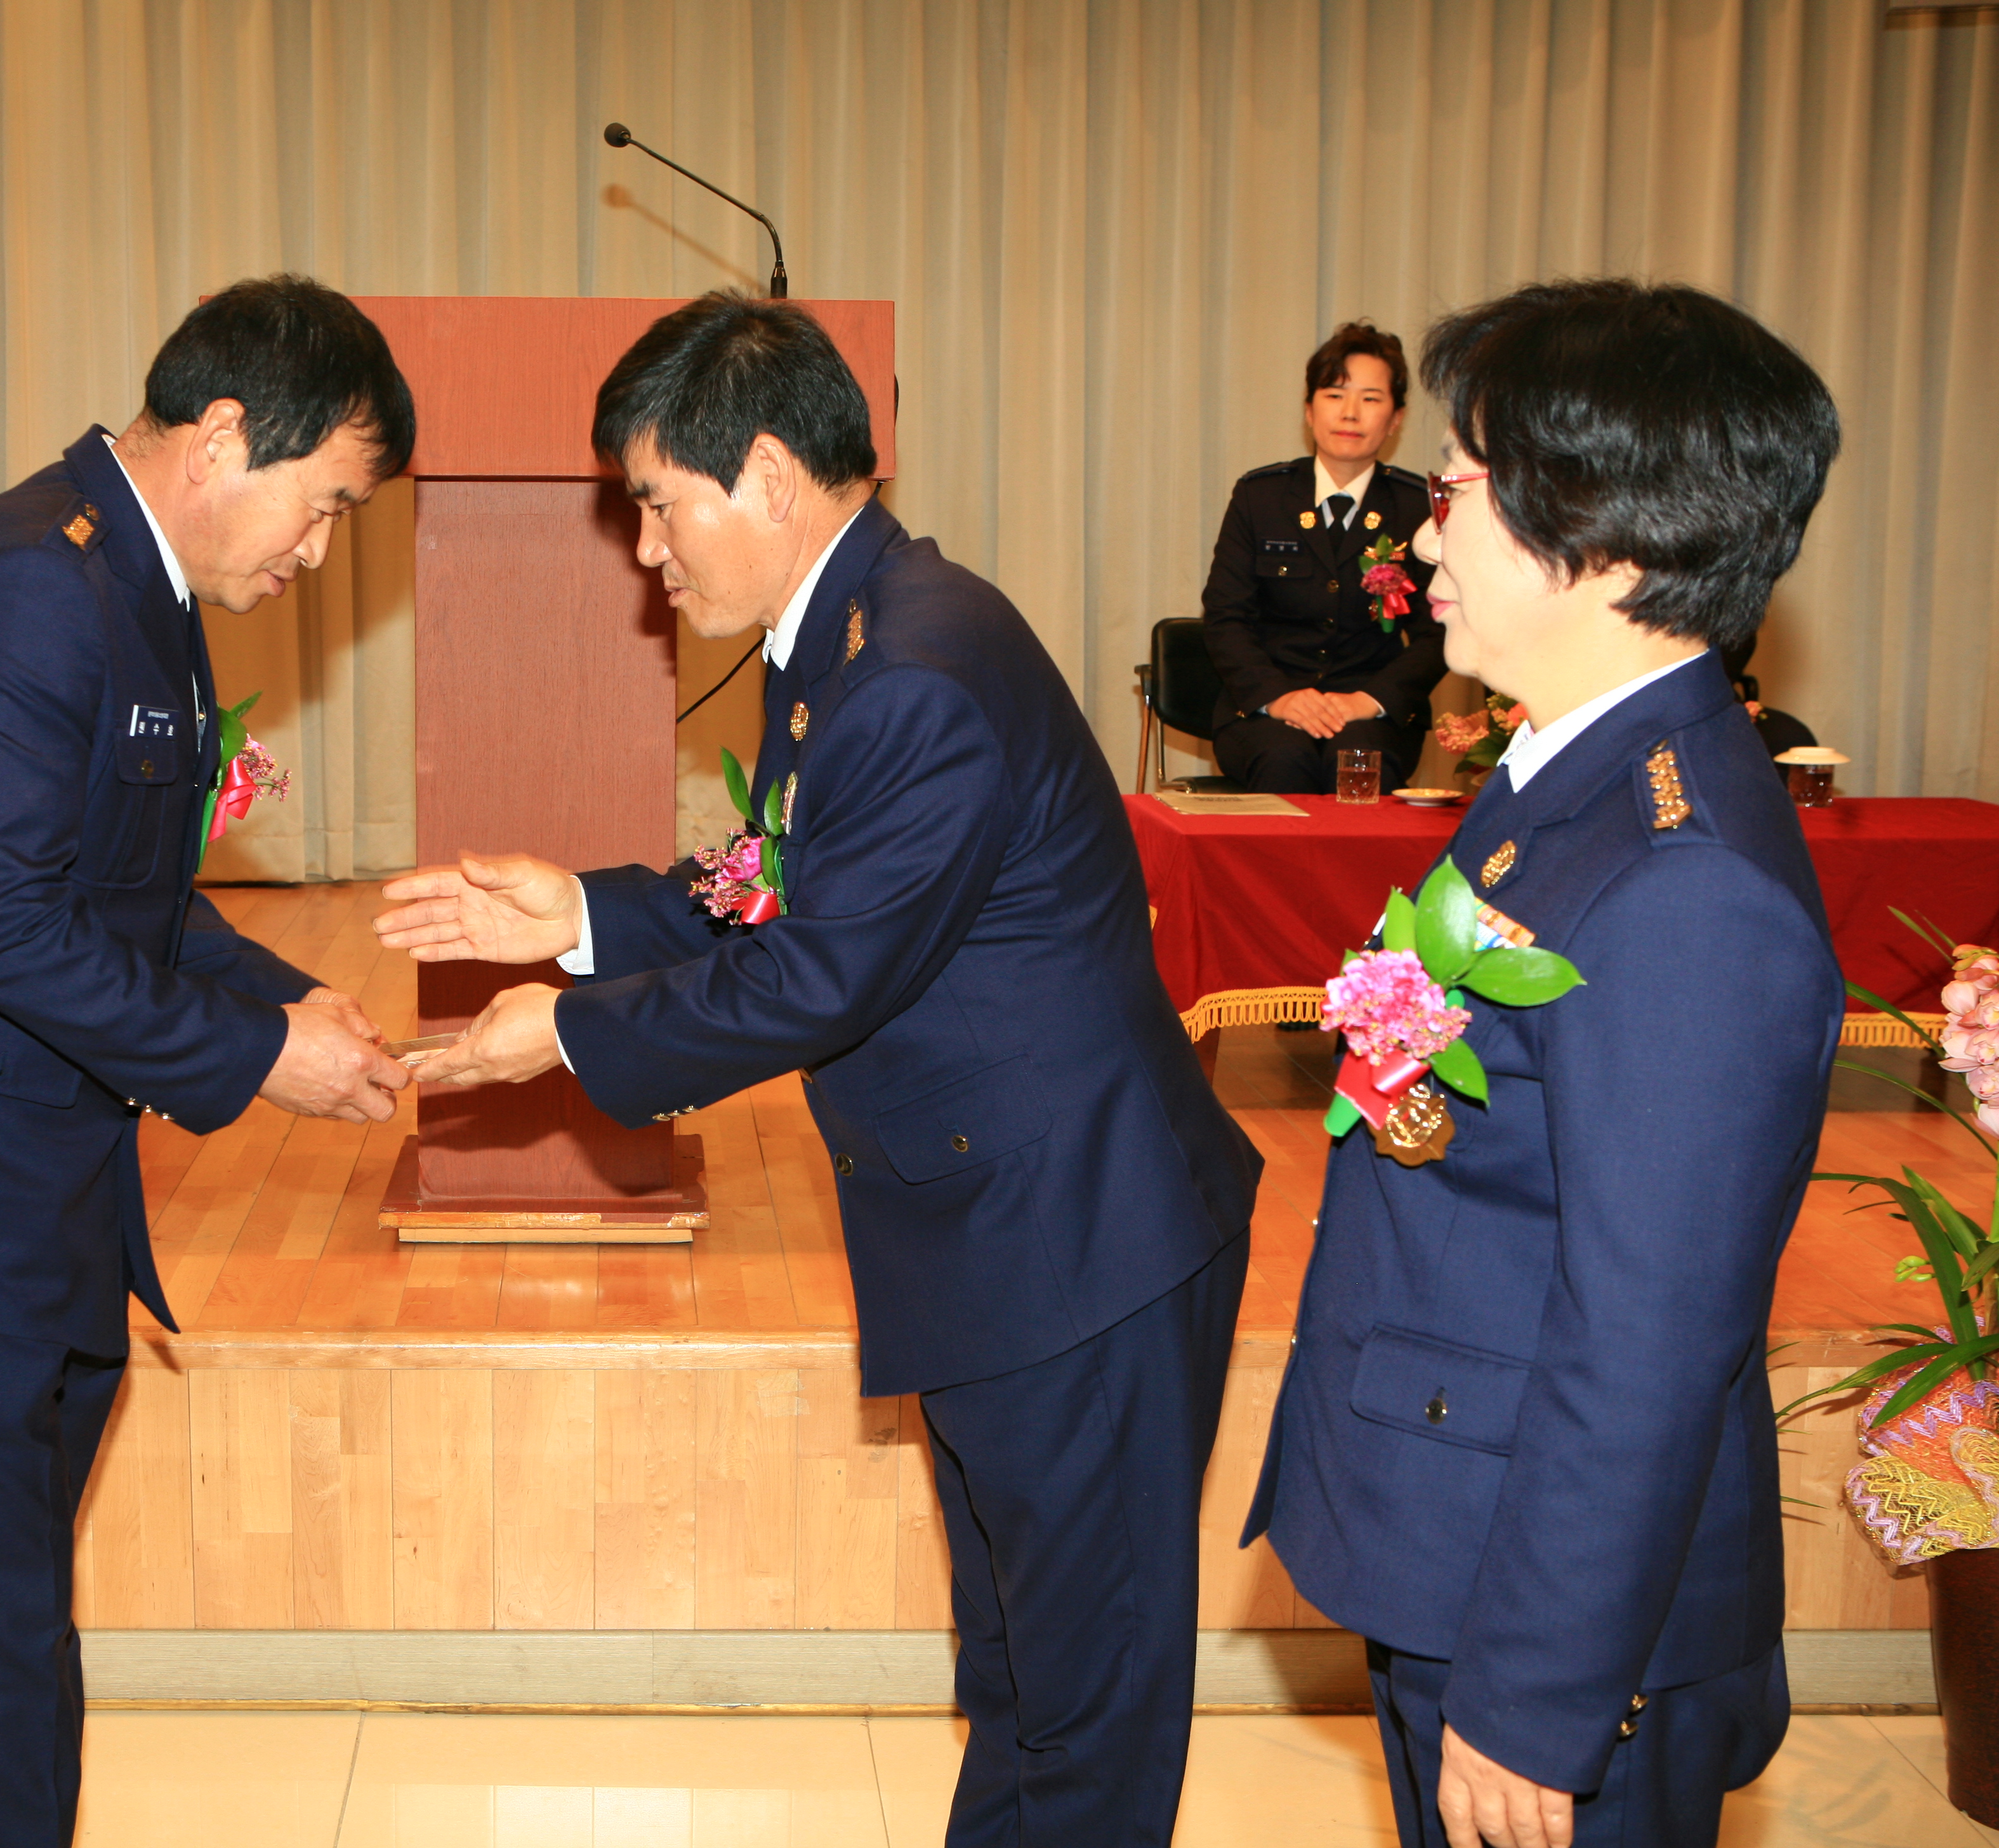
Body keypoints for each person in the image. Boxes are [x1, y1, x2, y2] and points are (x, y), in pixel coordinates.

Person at [373, 293, 1262, 1846]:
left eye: (660, 504)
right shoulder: (852, 631)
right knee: (1021, 1668)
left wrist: (563, 1035)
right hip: (1007, 1235)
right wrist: (579, 916)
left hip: (1077, 1247)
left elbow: (822, 973)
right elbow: (781, 889)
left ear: (770, 475)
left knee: (1085, 1700)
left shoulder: (908, 669)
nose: (646, 548)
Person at [1243, 279, 1844, 1848]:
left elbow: (1648, 1339)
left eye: (1459, 488)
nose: (1426, 532)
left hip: (1555, 1623)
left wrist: (1534, 1694)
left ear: (1613, 544)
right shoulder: (1562, 777)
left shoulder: (1685, 877)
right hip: (1466, 1529)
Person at [0, 274, 414, 1847]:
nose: (318, 552)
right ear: (223, 437)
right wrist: (256, 1055)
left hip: (41, 1187)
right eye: (326, 504)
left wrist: (294, 998)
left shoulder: (131, 585)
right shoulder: (37, 587)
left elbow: (121, 895)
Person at [1203, 320, 1444, 793]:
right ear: (1309, 410)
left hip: (1372, 708)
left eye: (1370, 399)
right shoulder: (1260, 497)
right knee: (1284, 758)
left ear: (1396, 418)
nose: (1350, 413)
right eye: (1335, 395)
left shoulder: (1417, 507)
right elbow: (1226, 617)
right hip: (1266, 707)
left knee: (1356, 763)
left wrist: (1370, 700)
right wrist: (1279, 698)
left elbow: (1439, 632)